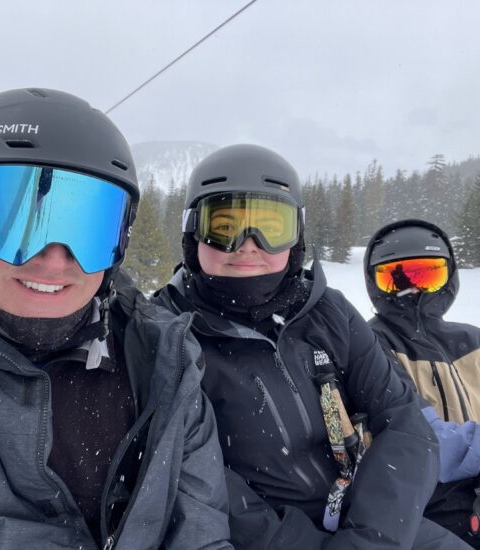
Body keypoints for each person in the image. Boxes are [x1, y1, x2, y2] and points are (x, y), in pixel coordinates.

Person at [0, 88, 233, 550]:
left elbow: (202, 531)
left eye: (87, 230)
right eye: (13, 224)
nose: (54, 260)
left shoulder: (162, 361)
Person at [153, 144, 472, 549]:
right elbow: (193, 479)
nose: (249, 245)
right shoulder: (168, 333)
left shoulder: (327, 312)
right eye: (226, 226)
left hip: (374, 522)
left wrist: (372, 535)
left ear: (297, 237)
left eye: (271, 227)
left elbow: (402, 420)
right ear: (193, 233)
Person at [364, 218, 480, 547]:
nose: (414, 290)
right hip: (425, 503)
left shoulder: (472, 339)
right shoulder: (372, 344)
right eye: (395, 279)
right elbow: (421, 440)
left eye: (429, 275)